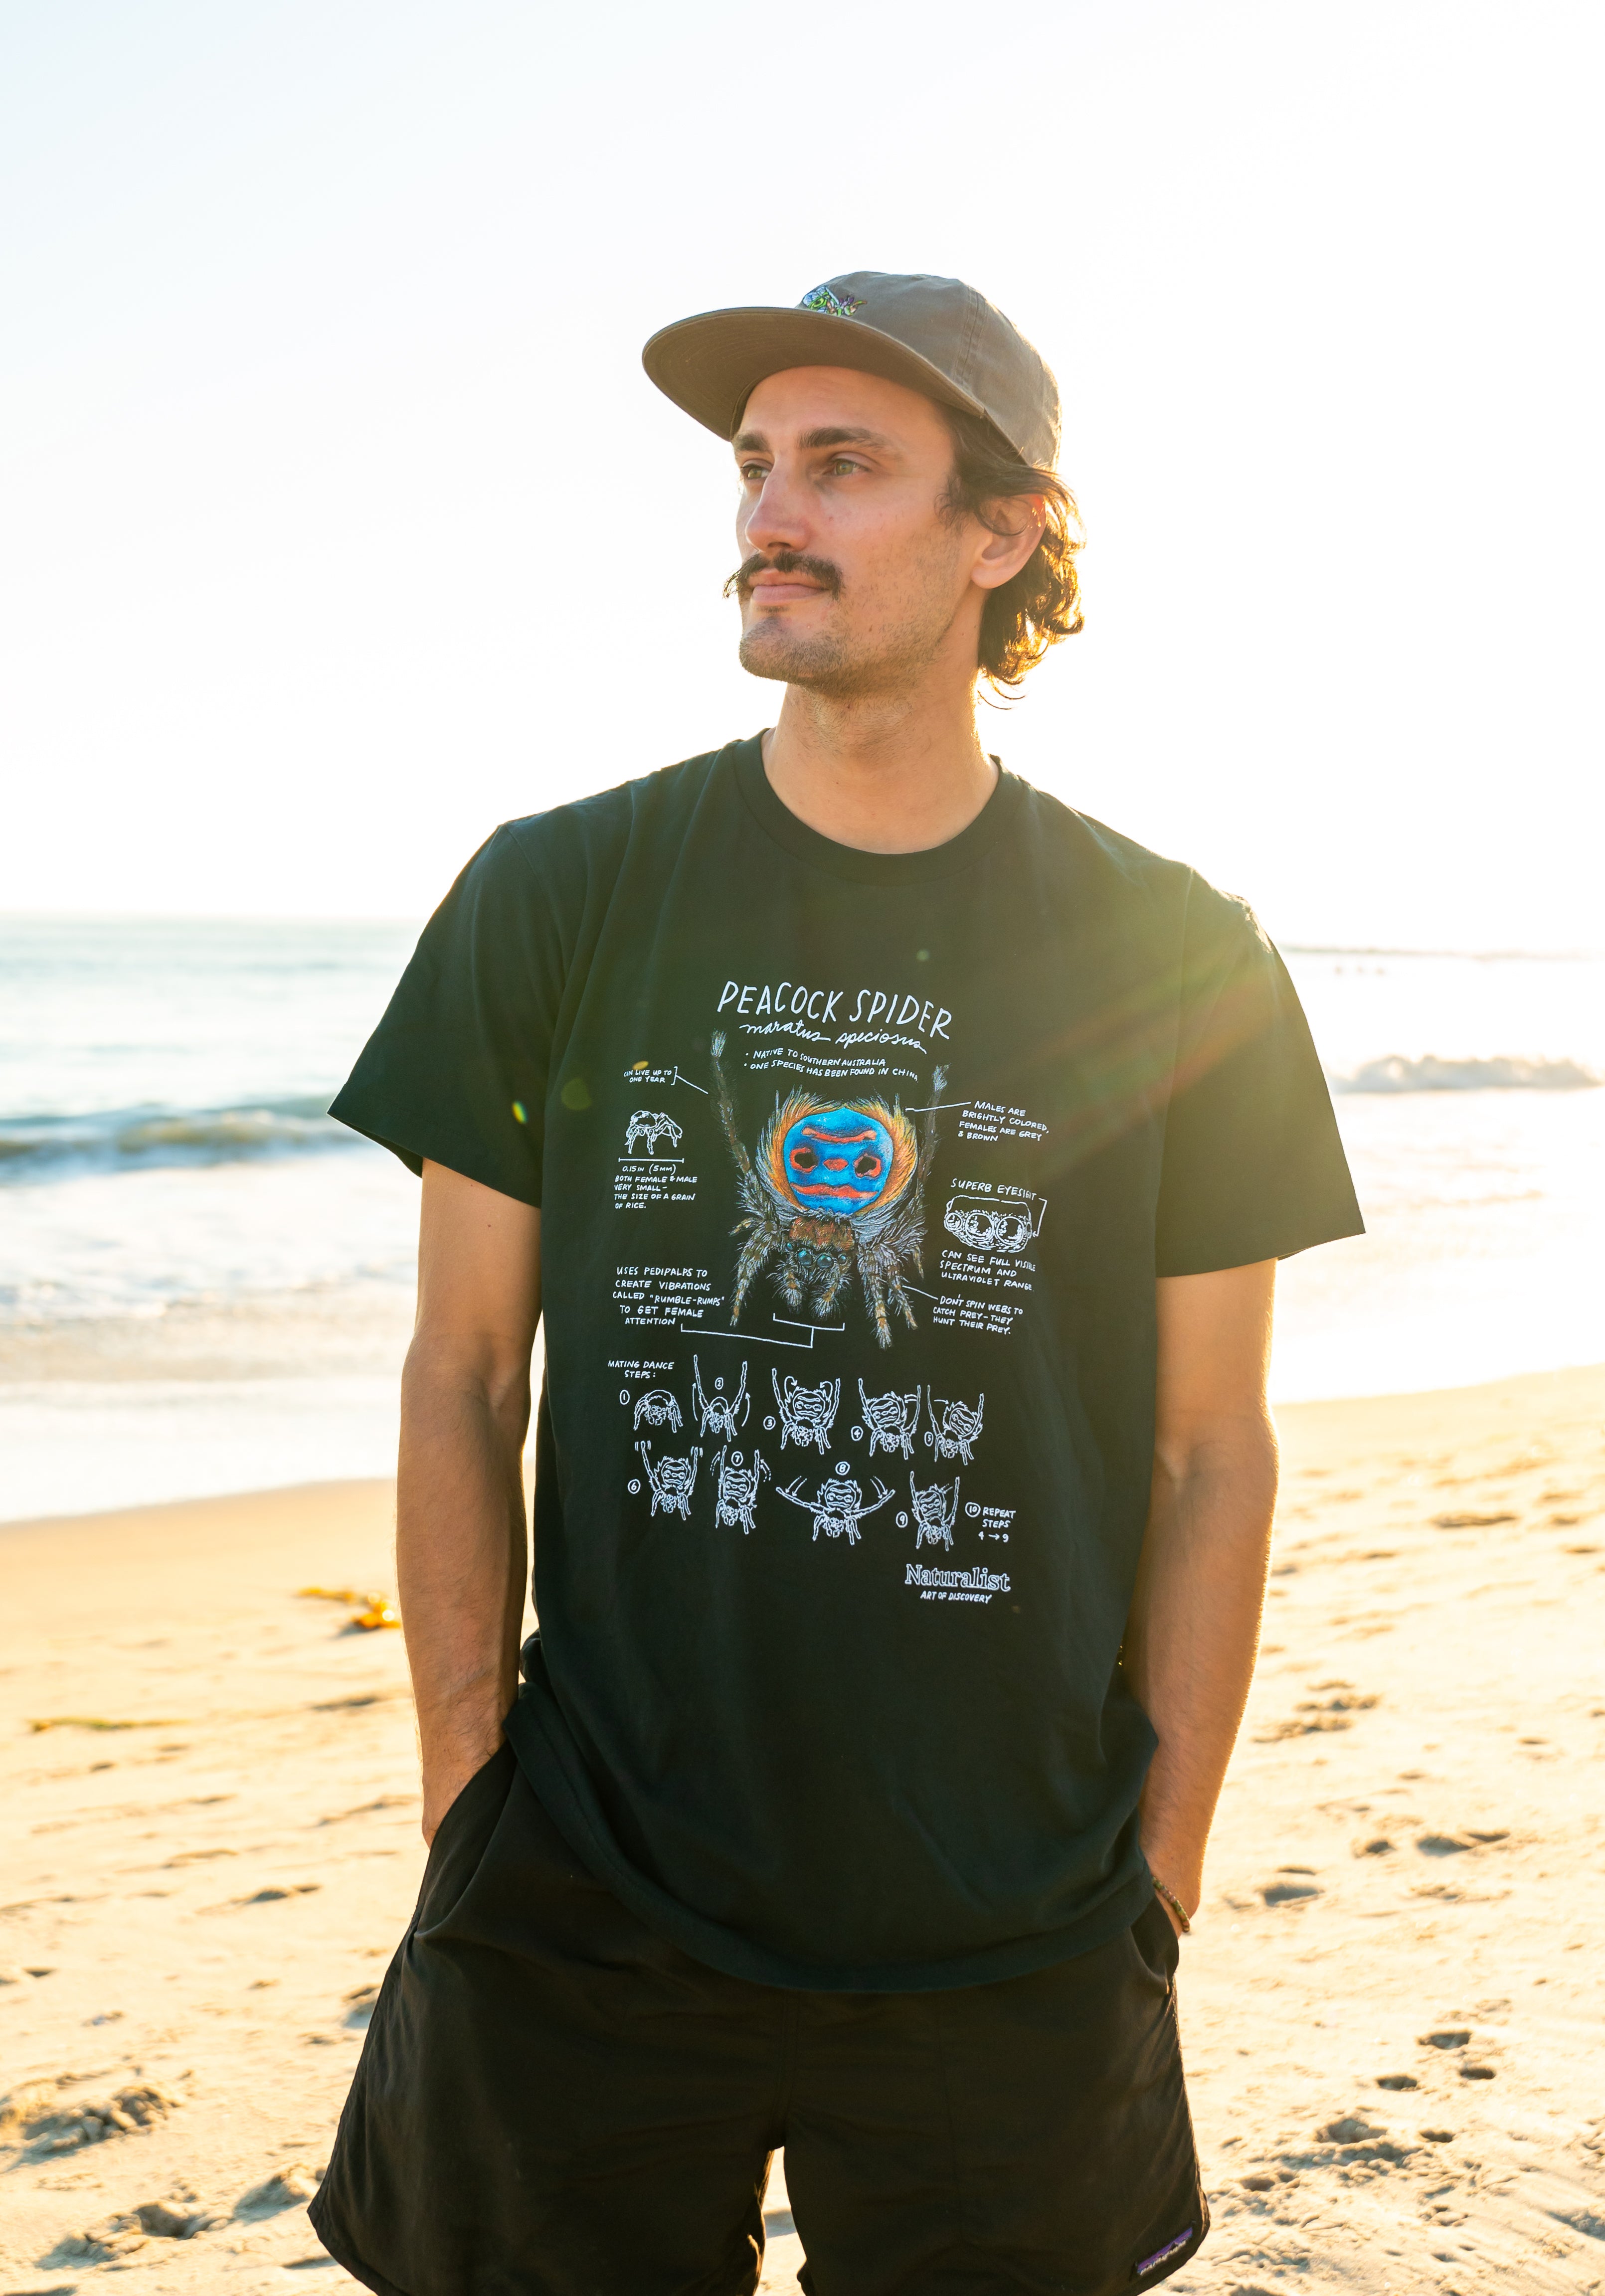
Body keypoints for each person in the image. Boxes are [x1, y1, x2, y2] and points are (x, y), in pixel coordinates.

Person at [311, 271, 1363, 2295]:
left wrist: (1157, 1875)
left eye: (845, 466)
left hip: (1014, 1904)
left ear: (1003, 531)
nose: (769, 516)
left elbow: (1212, 1449)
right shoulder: (562, 888)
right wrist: (468, 1802)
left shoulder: (1177, 950)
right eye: (755, 467)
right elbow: (458, 1368)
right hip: (586, 1893)